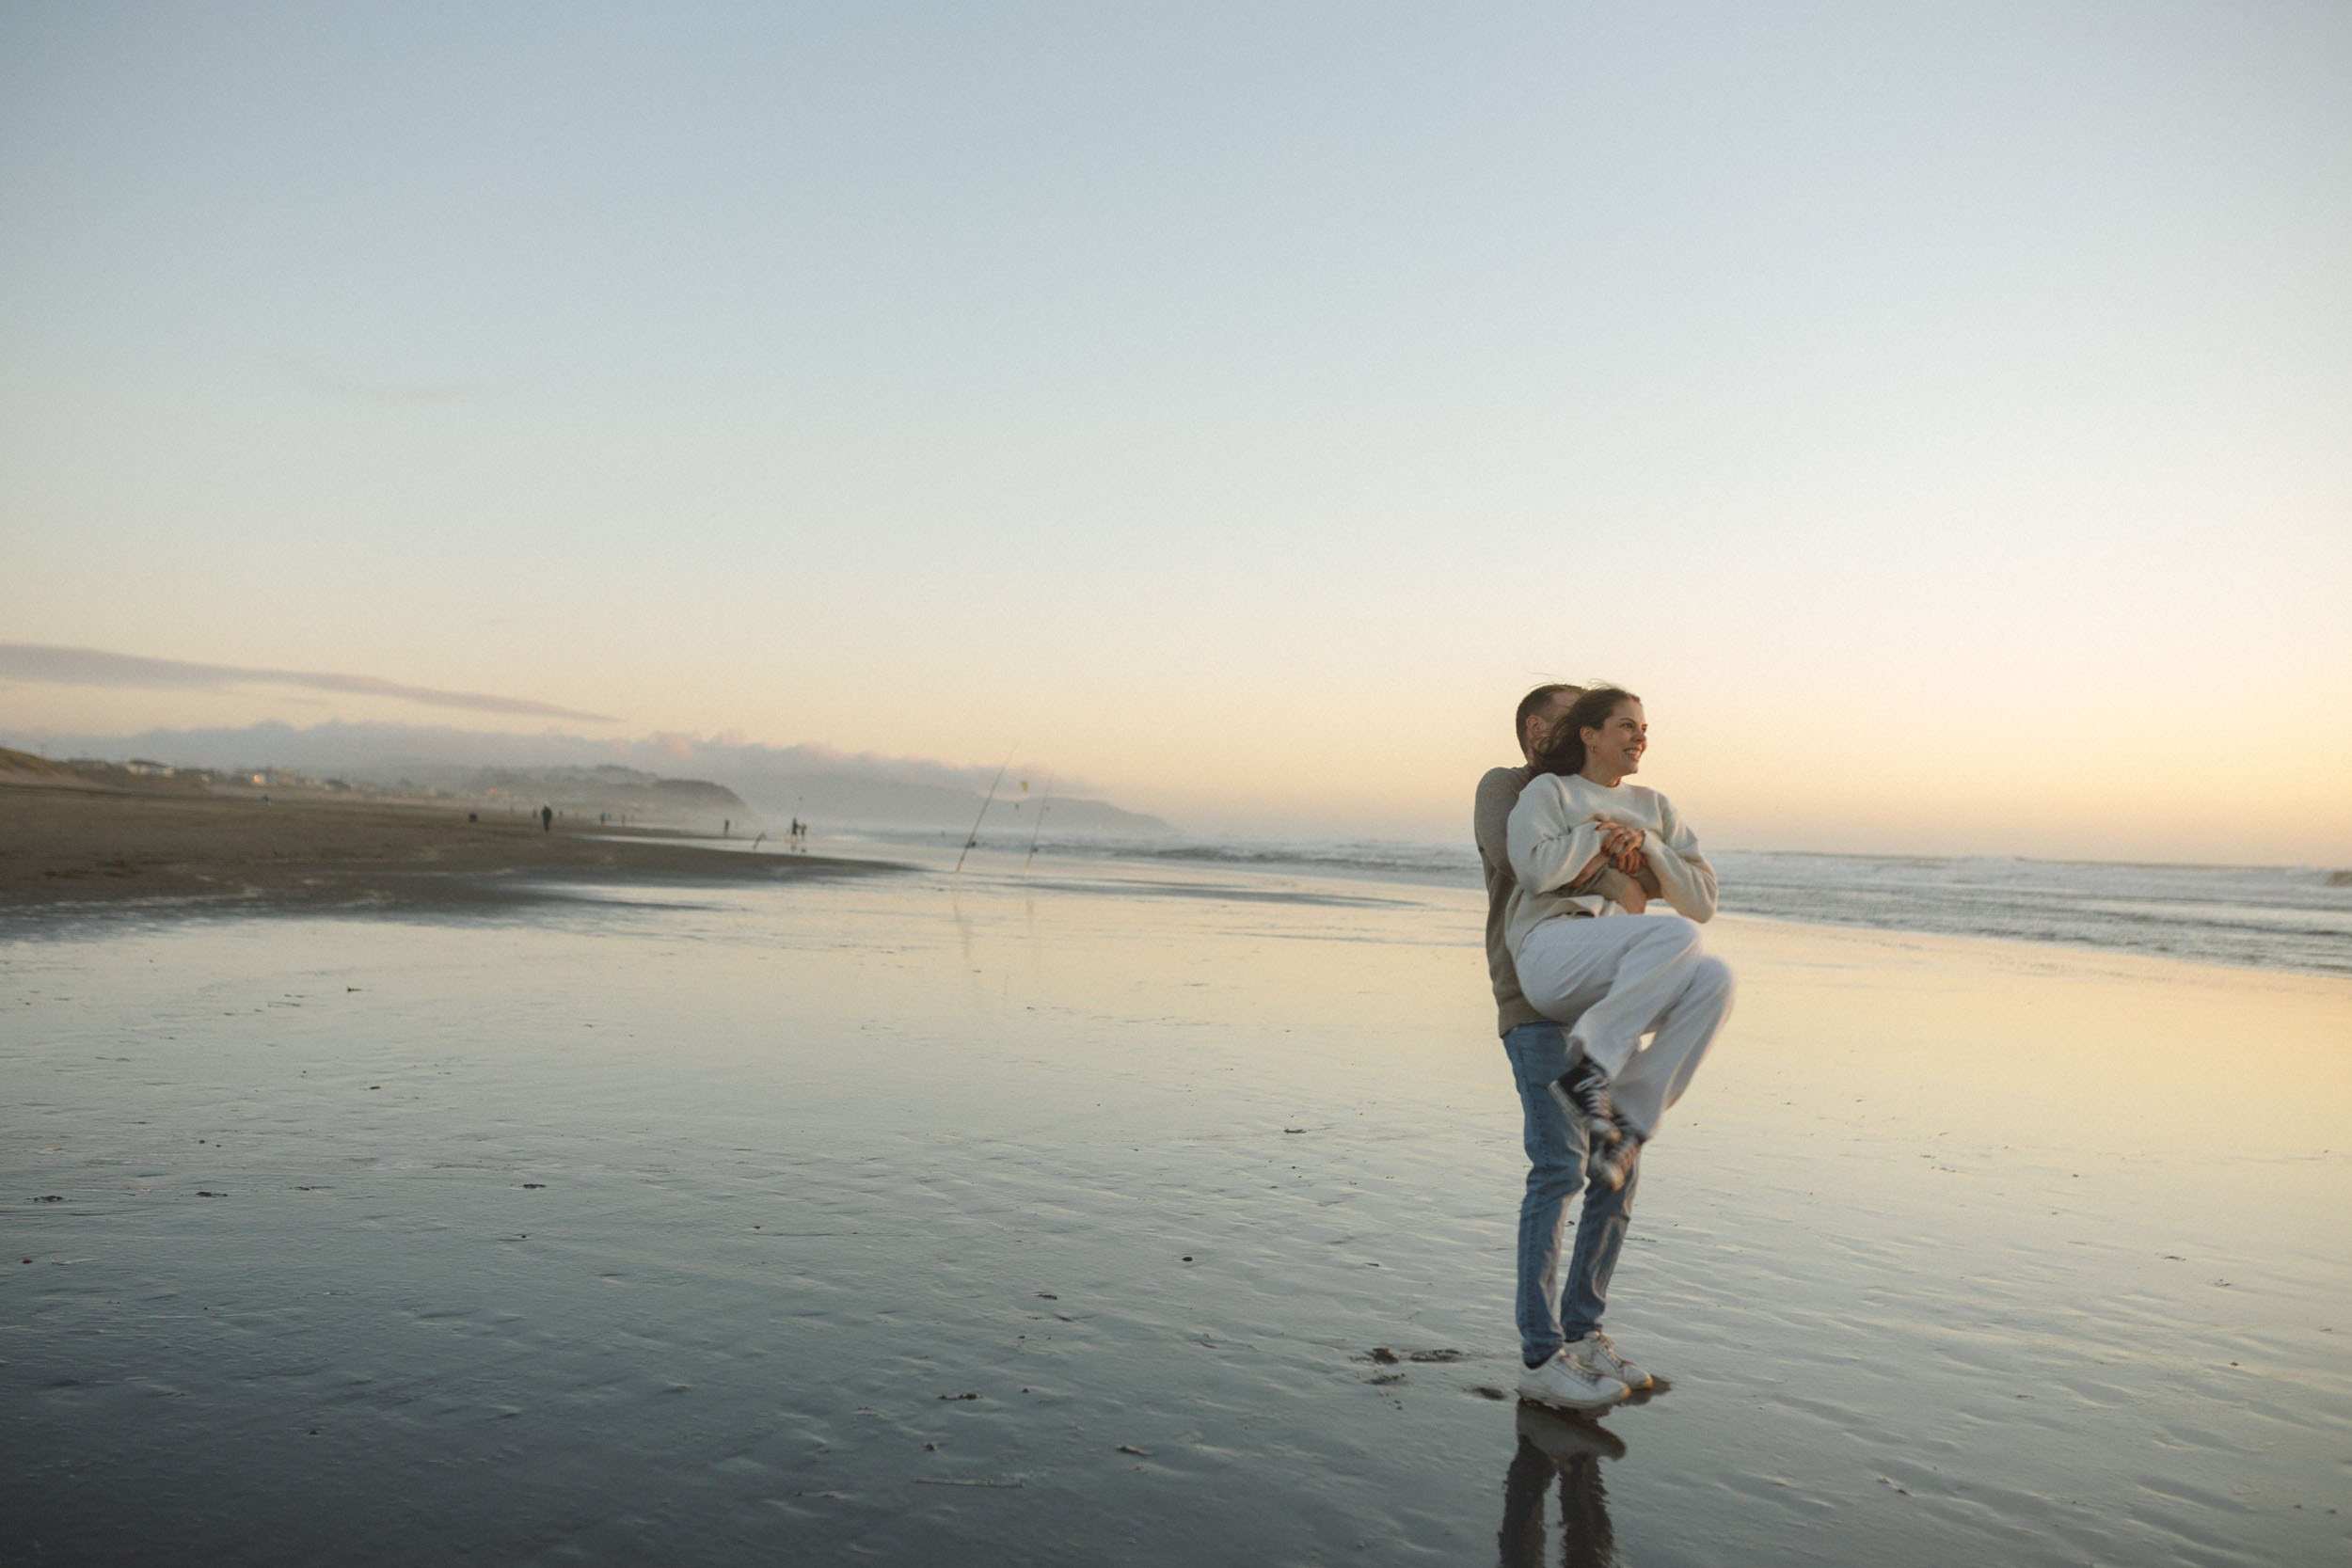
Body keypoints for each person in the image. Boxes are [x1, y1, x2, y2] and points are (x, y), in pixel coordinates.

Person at [1476, 684, 1656, 1413]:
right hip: (1534, 1002)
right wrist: (1614, 864)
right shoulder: (1510, 789)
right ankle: (1540, 1353)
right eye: (1570, 720)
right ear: (1536, 726)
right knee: (1558, 1166)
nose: (1584, 733)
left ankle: (1584, 1335)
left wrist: (1630, 863)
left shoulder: (1597, 795)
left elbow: (1655, 882)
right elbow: (1522, 863)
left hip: (1604, 1010)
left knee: (1614, 1166)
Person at [1505, 685, 1730, 1194]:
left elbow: (1703, 901)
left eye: (1645, 729)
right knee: (1674, 933)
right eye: (1627, 726)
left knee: (1717, 976)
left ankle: (1630, 1122)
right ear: (1590, 736)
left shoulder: (1656, 807)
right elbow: (1536, 870)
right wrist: (1600, 835)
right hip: (1551, 952)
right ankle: (1591, 1069)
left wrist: (1648, 844)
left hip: (1622, 971)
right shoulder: (1551, 793)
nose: (1640, 738)